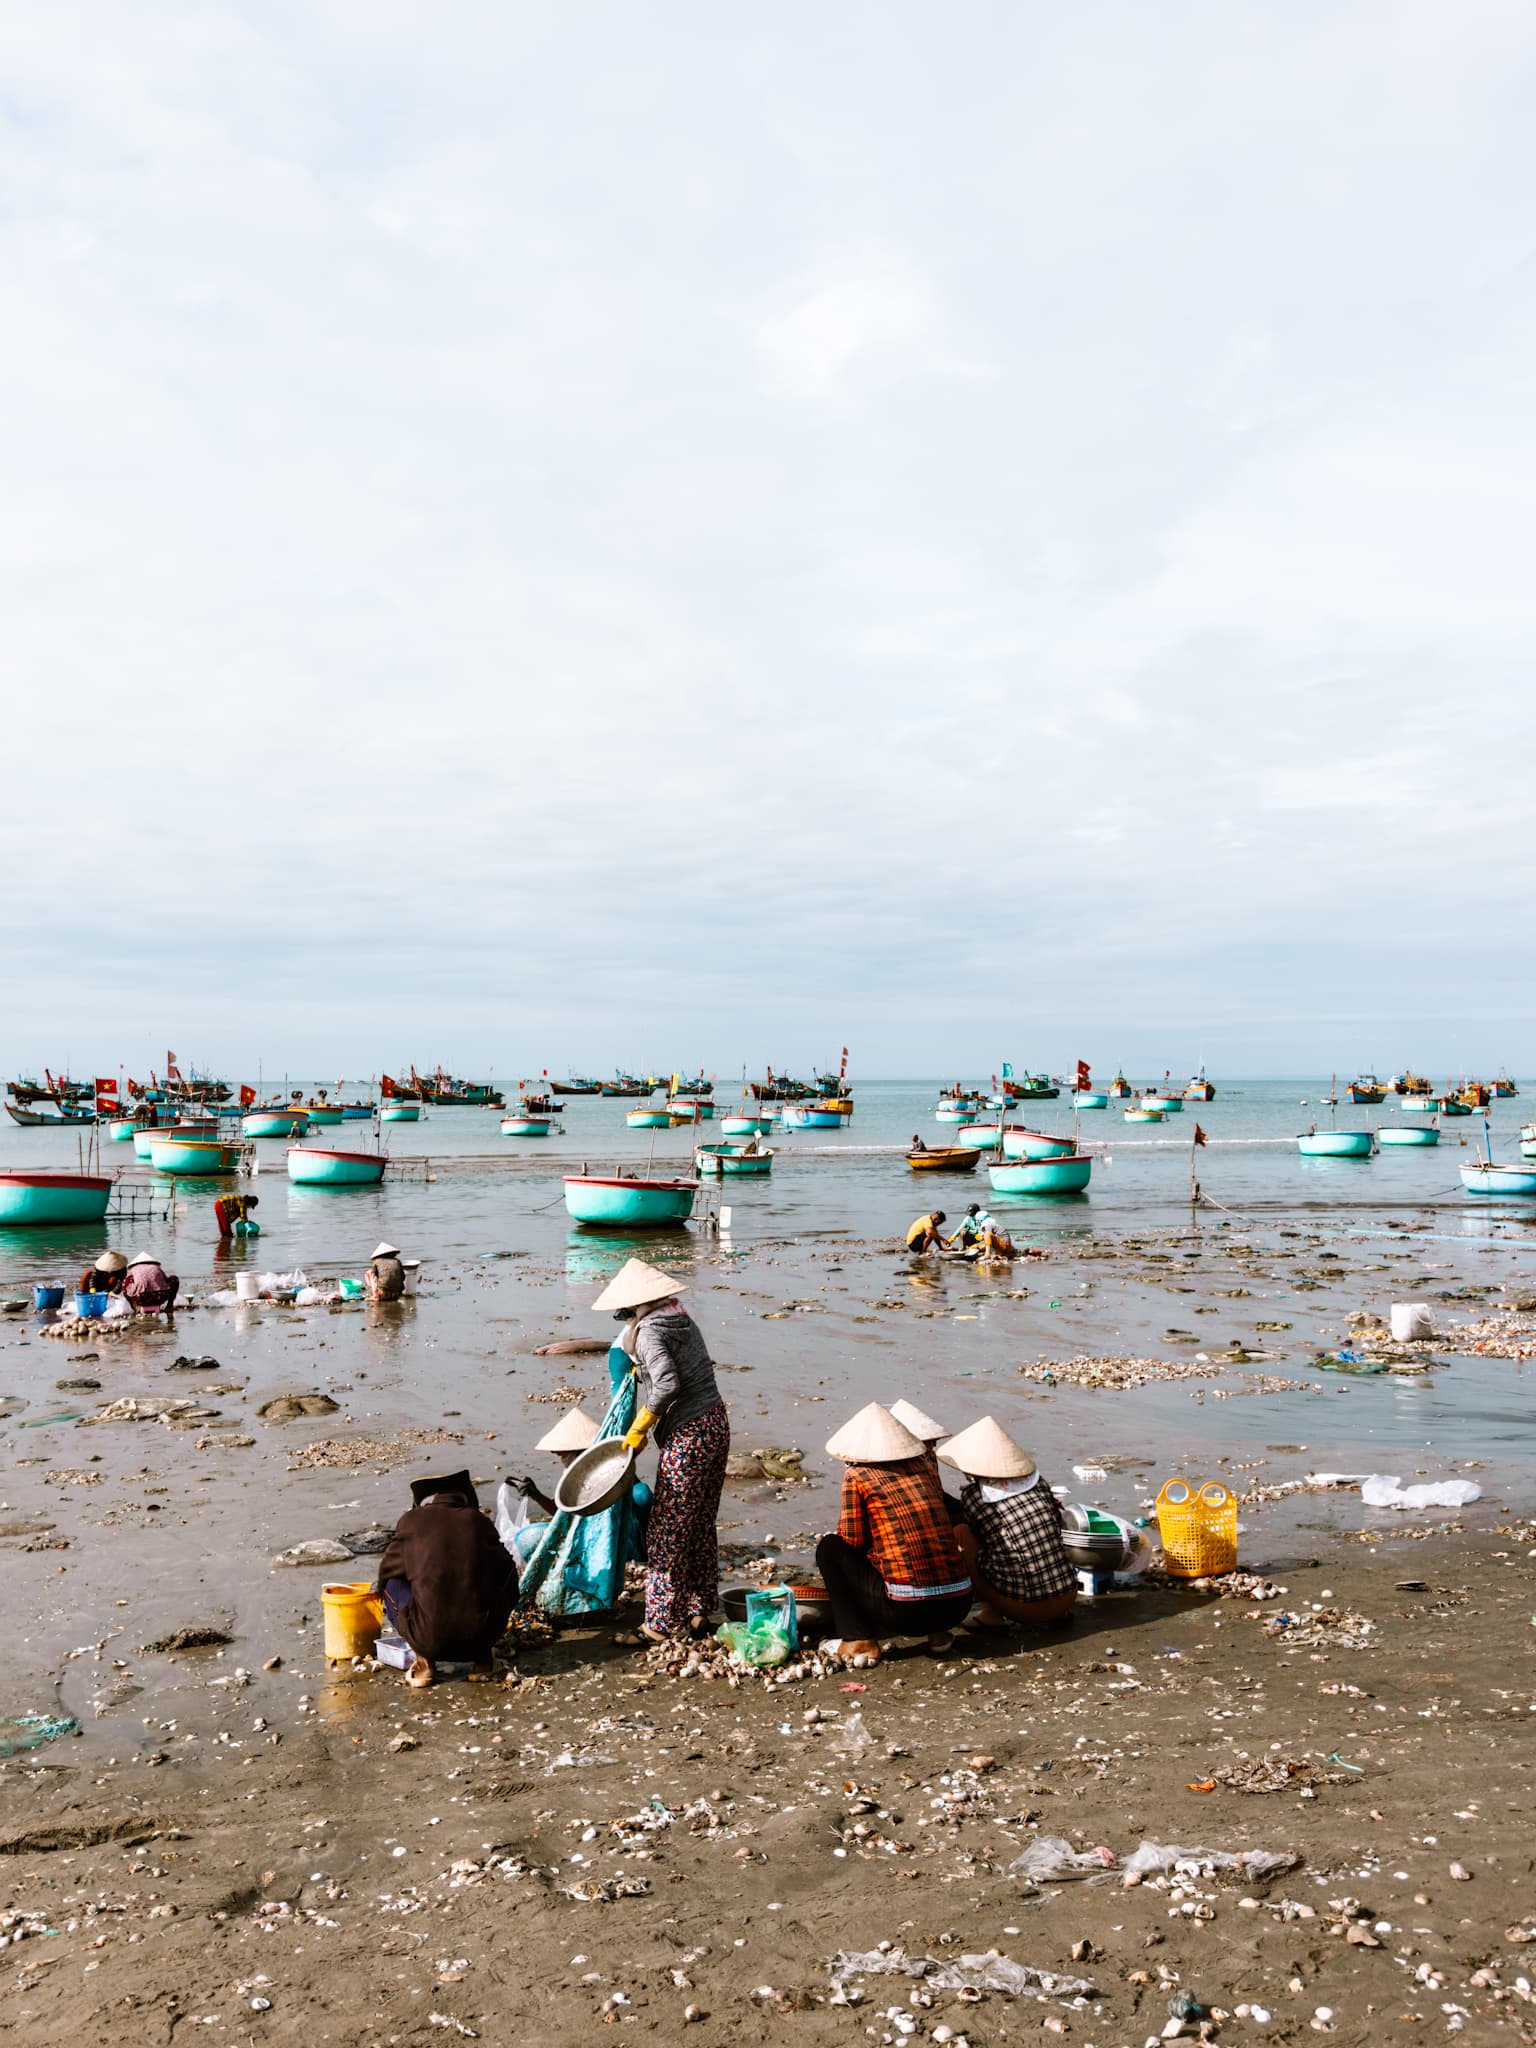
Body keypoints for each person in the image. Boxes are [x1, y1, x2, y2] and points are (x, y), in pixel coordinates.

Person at [592, 1257, 729, 1644]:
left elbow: (667, 1385)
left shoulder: (650, 1331)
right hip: (715, 1422)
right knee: (700, 1522)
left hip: (689, 1433)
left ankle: (661, 1623)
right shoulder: (681, 1318)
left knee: (667, 1528)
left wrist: (640, 1427)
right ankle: (700, 1609)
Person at [816, 1402, 973, 1666]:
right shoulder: (925, 1466)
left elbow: (853, 1539)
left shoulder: (858, 1475)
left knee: (830, 1548)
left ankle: (859, 1639)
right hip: (959, 1604)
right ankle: (938, 1635)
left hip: (908, 1613)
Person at [376, 1468, 519, 1688]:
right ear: (465, 1497)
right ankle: (483, 1662)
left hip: (428, 1640)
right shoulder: (479, 1521)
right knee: (505, 1577)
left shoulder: (410, 1521)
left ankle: (425, 1663)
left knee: (390, 1583)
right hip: (481, 1638)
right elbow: (508, 1570)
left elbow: (387, 1572)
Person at [939, 1415, 1076, 1628]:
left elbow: (982, 1538)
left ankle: (992, 1614)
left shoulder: (975, 1496)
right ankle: (1054, 1610)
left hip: (1024, 1609)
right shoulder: (1038, 1482)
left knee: (962, 1533)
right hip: (1068, 1595)